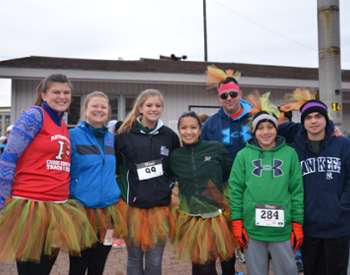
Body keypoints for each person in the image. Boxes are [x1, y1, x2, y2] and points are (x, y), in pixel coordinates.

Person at [0, 74, 96, 275]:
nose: (62, 97)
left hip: (57, 207)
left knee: (44, 269)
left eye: (66, 92)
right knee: (31, 271)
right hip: (31, 206)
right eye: (56, 92)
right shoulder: (34, 116)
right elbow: (8, 157)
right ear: (44, 95)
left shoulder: (62, 123)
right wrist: (2, 200)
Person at [279, 99, 350, 275]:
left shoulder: (343, 145)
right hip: (309, 226)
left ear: (326, 119)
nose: (313, 121)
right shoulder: (294, 150)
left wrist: (342, 207)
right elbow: (273, 132)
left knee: (336, 271)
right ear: (302, 123)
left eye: (318, 116)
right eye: (308, 117)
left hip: (337, 225)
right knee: (312, 271)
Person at [229, 111, 304, 275]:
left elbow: (297, 191)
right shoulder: (243, 155)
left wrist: (297, 222)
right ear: (254, 132)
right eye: (260, 128)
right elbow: (236, 190)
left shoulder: (290, 154)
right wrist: (237, 220)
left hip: (282, 229)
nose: (265, 132)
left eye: (270, 127)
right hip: (252, 228)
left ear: (276, 129)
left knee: (288, 271)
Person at [116, 89, 180, 275]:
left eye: (158, 105)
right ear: (140, 108)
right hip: (132, 206)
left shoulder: (169, 136)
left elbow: (174, 167)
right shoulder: (124, 134)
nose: (154, 109)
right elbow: (116, 168)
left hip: (160, 207)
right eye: (149, 105)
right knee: (134, 259)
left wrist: (172, 188)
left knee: (154, 261)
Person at [170, 111, 235, 275]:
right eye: (184, 128)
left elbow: (229, 175)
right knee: (198, 265)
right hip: (190, 218)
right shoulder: (175, 156)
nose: (188, 132)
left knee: (218, 262)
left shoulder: (216, 149)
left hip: (216, 216)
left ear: (200, 130)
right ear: (179, 130)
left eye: (193, 127)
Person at [68, 91, 126, 275]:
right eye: (94, 106)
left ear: (108, 111)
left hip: (109, 211)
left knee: (98, 266)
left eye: (103, 106)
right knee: (78, 266)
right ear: (85, 110)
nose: (99, 110)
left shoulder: (111, 139)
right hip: (81, 210)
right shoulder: (72, 135)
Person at [201, 75, 252, 272]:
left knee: (250, 239)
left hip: (251, 189)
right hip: (220, 191)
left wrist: (331, 128)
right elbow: (200, 153)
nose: (229, 98)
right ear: (219, 98)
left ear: (240, 94)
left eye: (232, 94)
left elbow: (283, 132)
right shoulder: (211, 124)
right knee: (223, 240)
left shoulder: (255, 117)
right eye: (224, 95)